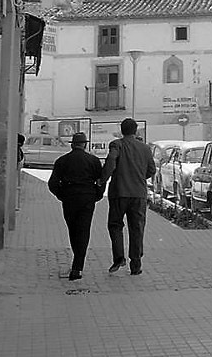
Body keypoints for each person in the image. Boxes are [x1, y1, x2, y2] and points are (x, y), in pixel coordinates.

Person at [101, 118, 156, 275]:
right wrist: (138, 177)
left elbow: (111, 160)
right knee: (137, 227)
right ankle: (136, 264)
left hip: (119, 193)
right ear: (136, 130)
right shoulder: (145, 148)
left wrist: (103, 179)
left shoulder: (117, 144)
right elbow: (152, 170)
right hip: (138, 194)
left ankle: (119, 258)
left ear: (121, 130)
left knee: (115, 225)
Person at [47, 132, 104, 281]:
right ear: (84, 144)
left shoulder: (62, 161)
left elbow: (52, 183)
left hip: (70, 197)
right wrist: (96, 195)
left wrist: (61, 195)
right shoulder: (94, 161)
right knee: (84, 230)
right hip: (87, 197)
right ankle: (77, 266)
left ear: (72, 144)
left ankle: (76, 263)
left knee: (73, 229)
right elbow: (101, 181)